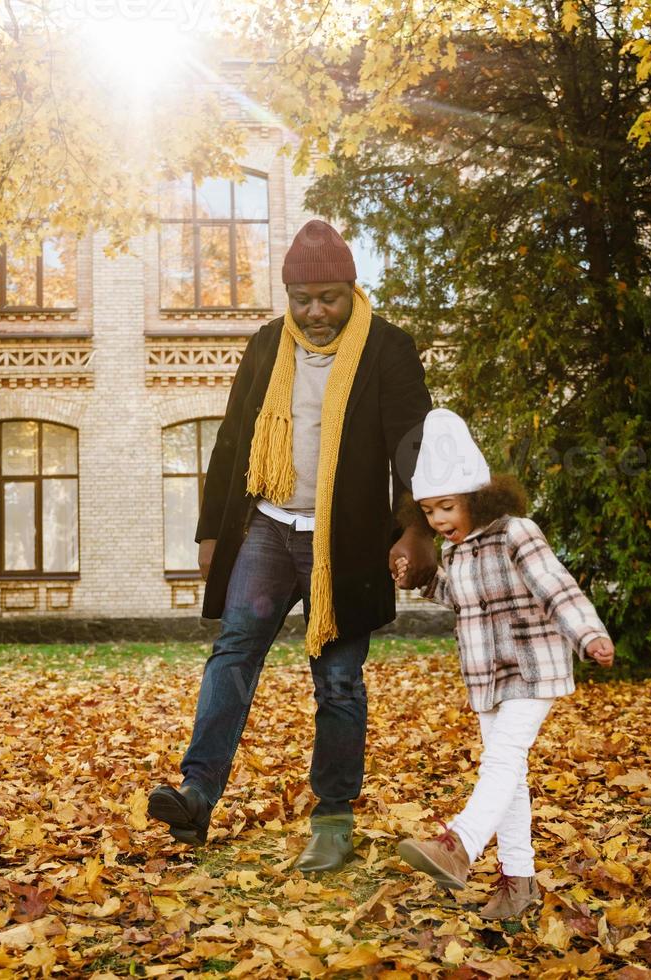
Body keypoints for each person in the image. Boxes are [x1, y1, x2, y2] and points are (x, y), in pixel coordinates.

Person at [147, 219, 436, 873]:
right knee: (233, 653)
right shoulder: (267, 346)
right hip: (267, 532)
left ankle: (333, 819)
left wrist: (416, 529)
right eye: (303, 299)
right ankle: (196, 795)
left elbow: (411, 442)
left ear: (351, 289)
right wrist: (212, 533)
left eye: (329, 297)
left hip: (348, 543)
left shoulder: (386, 348)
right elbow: (232, 440)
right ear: (288, 296)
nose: (316, 312)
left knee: (337, 681)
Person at [392, 408, 614, 918]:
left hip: (534, 664)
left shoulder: (517, 532)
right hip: (486, 675)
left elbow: (555, 587)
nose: (438, 521)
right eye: (428, 512)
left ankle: (459, 846)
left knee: (502, 758)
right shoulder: (459, 552)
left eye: (446, 507)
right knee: (508, 775)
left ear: (475, 497)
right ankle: (519, 884)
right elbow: (460, 598)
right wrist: (420, 579)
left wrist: (589, 635)